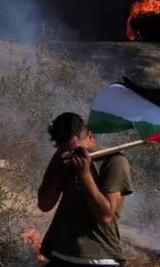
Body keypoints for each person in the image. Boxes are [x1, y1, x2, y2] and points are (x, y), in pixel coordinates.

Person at [38, 112, 133, 266]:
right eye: (64, 149)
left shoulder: (114, 162)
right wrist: (59, 171)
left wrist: (86, 176)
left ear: (90, 136)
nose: (71, 154)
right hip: (61, 254)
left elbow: (105, 216)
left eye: (76, 149)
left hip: (98, 259)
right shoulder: (62, 156)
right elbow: (44, 204)